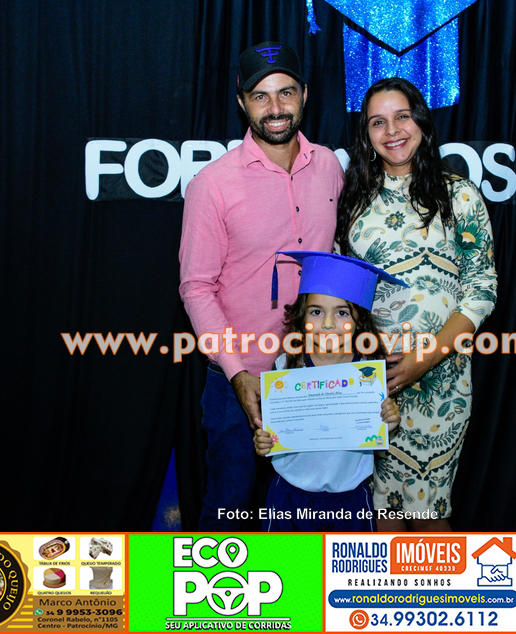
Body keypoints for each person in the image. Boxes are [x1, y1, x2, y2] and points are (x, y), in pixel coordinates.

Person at [179, 41, 344, 531]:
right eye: (260, 96)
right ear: (242, 101)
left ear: (305, 94)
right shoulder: (213, 184)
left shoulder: (329, 166)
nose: (275, 108)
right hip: (239, 379)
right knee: (228, 512)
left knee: (308, 511)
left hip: (311, 375)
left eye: (286, 92)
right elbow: (196, 288)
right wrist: (237, 374)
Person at [335, 77, 497, 532]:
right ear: (365, 134)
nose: (392, 131)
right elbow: (342, 295)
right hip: (375, 383)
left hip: (441, 385)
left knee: (429, 512)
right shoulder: (354, 202)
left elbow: (482, 288)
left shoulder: (459, 195)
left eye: (402, 117)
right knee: (383, 509)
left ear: (421, 122)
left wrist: (426, 358)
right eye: (377, 122)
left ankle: (437, 583)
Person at [253, 251, 404, 531]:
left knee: (348, 563)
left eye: (342, 312)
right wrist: (264, 441)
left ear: (359, 320)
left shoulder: (370, 373)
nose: (327, 324)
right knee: (285, 561)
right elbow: (272, 434)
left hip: (351, 499)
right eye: (316, 311)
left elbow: (374, 429)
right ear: (302, 316)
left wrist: (389, 420)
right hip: (289, 497)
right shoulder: (284, 368)